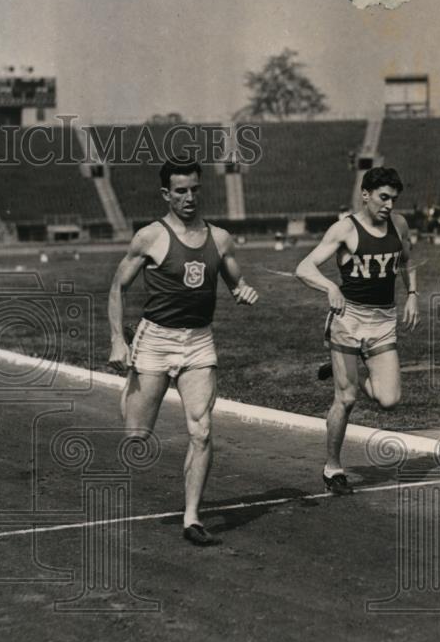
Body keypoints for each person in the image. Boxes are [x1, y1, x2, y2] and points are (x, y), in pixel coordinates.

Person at [108, 160, 258, 546]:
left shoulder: (220, 239)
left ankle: (192, 517)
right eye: (180, 191)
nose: (189, 197)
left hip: (198, 343)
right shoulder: (149, 237)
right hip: (155, 340)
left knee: (202, 430)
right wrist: (116, 340)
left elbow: (236, 283)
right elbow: (116, 288)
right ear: (166, 194)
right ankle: (132, 384)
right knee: (137, 436)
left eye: (193, 189)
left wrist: (243, 291)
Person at [295, 167, 419, 495]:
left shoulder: (400, 225)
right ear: (365, 195)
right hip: (348, 321)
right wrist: (329, 288)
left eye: (394, 198)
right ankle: (333, 467)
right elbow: (303, 268)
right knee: (346, 399)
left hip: (382, 323)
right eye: (383, 197)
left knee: (389, 399)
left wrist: (413, 295)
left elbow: (406, 259)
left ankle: (340, 370)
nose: (389, 205)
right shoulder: (344, 229)